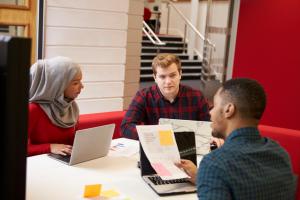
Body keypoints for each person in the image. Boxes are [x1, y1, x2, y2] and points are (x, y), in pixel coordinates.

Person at [176, 78, 296, 199]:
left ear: (229, 110)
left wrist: (209, 173)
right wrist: (203, 178)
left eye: (215, 106)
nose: (210, 112)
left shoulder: (215, 164)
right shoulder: (281, 154)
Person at [121, 53, 210, 139]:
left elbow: (208, 128)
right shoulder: (144, 96)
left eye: (172, 75)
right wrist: (155, 135)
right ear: (155, 78)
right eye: (162, 77)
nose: (168, 81)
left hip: (189, 150)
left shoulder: (197, 97)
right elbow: (126, 127)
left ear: (180, 74)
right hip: (157, 148)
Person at [28, 56, 84, 156]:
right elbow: (14, 149)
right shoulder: (33, 109)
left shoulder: (71, 107)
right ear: (56, 84)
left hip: (63, 164)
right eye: (75, 83)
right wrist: (50, 147)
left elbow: (71, 144)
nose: (82, 86)